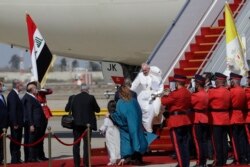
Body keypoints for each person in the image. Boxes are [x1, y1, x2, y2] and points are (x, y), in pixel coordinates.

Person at [109, 84, 150, 165]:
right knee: (137, 138)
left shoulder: (120, 103)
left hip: (125, 126)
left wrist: (111, 116)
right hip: (136, 124)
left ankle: (128, 157)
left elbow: (119, 117)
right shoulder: (134, 101)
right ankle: (138, 157)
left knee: (126, 141)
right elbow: (139, 112)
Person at [65, 84, 100, 167]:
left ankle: (76, 163)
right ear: (87, 90)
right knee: (87, 145)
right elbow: (97, 110)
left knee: (76, 144)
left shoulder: (73, 98)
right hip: (87, 125)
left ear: (80, 90)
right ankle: (86, 163)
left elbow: (66, 109)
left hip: (76, 124)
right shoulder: (91, 98)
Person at [161, 74, 192, 167]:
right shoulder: (187, 92)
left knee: (178, 146)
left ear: (177, 82)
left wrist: (165, 95)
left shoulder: (175, 93)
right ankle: (186, 164)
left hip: (176, 120)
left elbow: (164, 102)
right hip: (185, 120)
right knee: (185, 145)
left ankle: (182, 164)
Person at [131, 63, 163, 132]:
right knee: (144, 112)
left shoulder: (155, 76)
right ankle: (148, 128)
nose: (144, 72)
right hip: (143, 97)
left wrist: (155, 94)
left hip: (154, 95)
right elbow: (134, 85)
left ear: (149, 69)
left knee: (154, 110)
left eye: (145, 70)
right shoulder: (140, 75)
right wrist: (127, 90)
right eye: (143, 70)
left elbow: (159, 88)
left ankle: (152, 125)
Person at [208, 72, 230, 166]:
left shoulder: (213, 91)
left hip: (216, 118)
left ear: (219, 80)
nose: (215, 81)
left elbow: (206, 101)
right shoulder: (227, 91)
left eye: (216, 79)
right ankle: (224, 160)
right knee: (224, 141)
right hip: (225, 118)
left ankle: (218, 161)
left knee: (217, 142)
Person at [22, 81, 47, 162]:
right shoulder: (28, 98)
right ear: (31, 89)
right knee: (32, 141)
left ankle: (35, 157)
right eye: (35, 88)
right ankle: (31, 158)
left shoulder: (32, 97)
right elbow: (29, 113)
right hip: (34, 124)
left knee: (36, 141)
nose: (37, 90)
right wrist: (31, 124)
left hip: (38, 123)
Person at [229, 72, 248, 164]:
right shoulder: (242, 90)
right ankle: (244, 156)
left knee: (235, 139)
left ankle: (238, 158)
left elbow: (228, 103)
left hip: (233, 116)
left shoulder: (232, 91)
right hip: (241, 116)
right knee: (242, 139)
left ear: (233, 81)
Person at [191, 74, 209, 167]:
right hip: (205, 119)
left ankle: (200, 162)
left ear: (197, 84)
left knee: (198, 142)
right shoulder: (206, 93)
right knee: (204, 142)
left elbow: (190, 104)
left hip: (197, 119)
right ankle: (204, 162)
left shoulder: (196, 95)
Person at [7, 79, 24, 164]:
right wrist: (15, 123)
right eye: (21, 84)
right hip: (16, 124)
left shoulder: (16, 94)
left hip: (18, 123)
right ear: (17, 85)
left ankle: (17, 158)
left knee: (18, 141)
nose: (23, 86)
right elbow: (12, 111)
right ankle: (14, 159)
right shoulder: (12, 95)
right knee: (15, 140)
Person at [99, 100, 120, 166]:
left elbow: (105, 125)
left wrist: (101, 130)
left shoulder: (108, 115)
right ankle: (118, 158)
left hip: (110, 130)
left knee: (111, 146)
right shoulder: (117, 114)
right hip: (117, 130)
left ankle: (113, 159)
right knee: (118, 145)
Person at [36, 87, 53, 161]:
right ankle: (38, 155)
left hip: (45, 114)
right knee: (39, 137)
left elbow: (50, 91)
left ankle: (41, 155)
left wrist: (45, 88)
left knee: (41, 137)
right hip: (40, 115)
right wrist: (39, 89)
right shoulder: (38, 93)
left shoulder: (42, 92)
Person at [0, 80, 8, 164]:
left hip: (3, 125)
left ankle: (1, 159)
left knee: (2, 144)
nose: (3, 87)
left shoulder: (2, 96)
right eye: (2, 86)